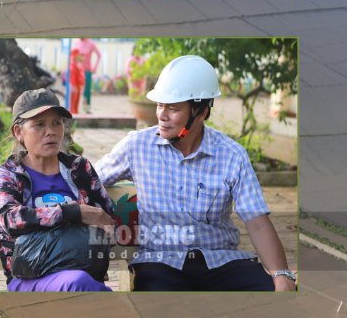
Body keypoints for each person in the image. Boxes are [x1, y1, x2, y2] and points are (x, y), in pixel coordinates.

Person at [95, 56, 296, 291]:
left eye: (173, 108)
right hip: (160, 263)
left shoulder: (232, 155)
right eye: (160, 105)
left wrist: (281, 275)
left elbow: (258, 223)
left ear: (200, 112)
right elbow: (86, 178)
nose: (162, 115)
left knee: (269, 294)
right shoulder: (136, 146)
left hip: (221, 261)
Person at [0, 88, 117, 292]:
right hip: (29, 277)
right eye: (39, 124)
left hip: (83, 268)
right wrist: (72, 212)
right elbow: (10, 219)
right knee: (76, 283)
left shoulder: (79, 168)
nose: (51, 131)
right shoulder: (8, 175)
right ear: (18, 132)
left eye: (56, 123)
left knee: (79, 281)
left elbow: (107, 218)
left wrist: (104, 231)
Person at [72, 38, 101, 113]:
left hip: (87, 70)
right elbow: (73, 55)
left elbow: (99, 55)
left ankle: (86, 109)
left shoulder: (91, 43)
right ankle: (75, 109)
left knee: (86, 91)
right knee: (76, 90)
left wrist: (95, 68)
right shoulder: (77, 42)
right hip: (77, 71)